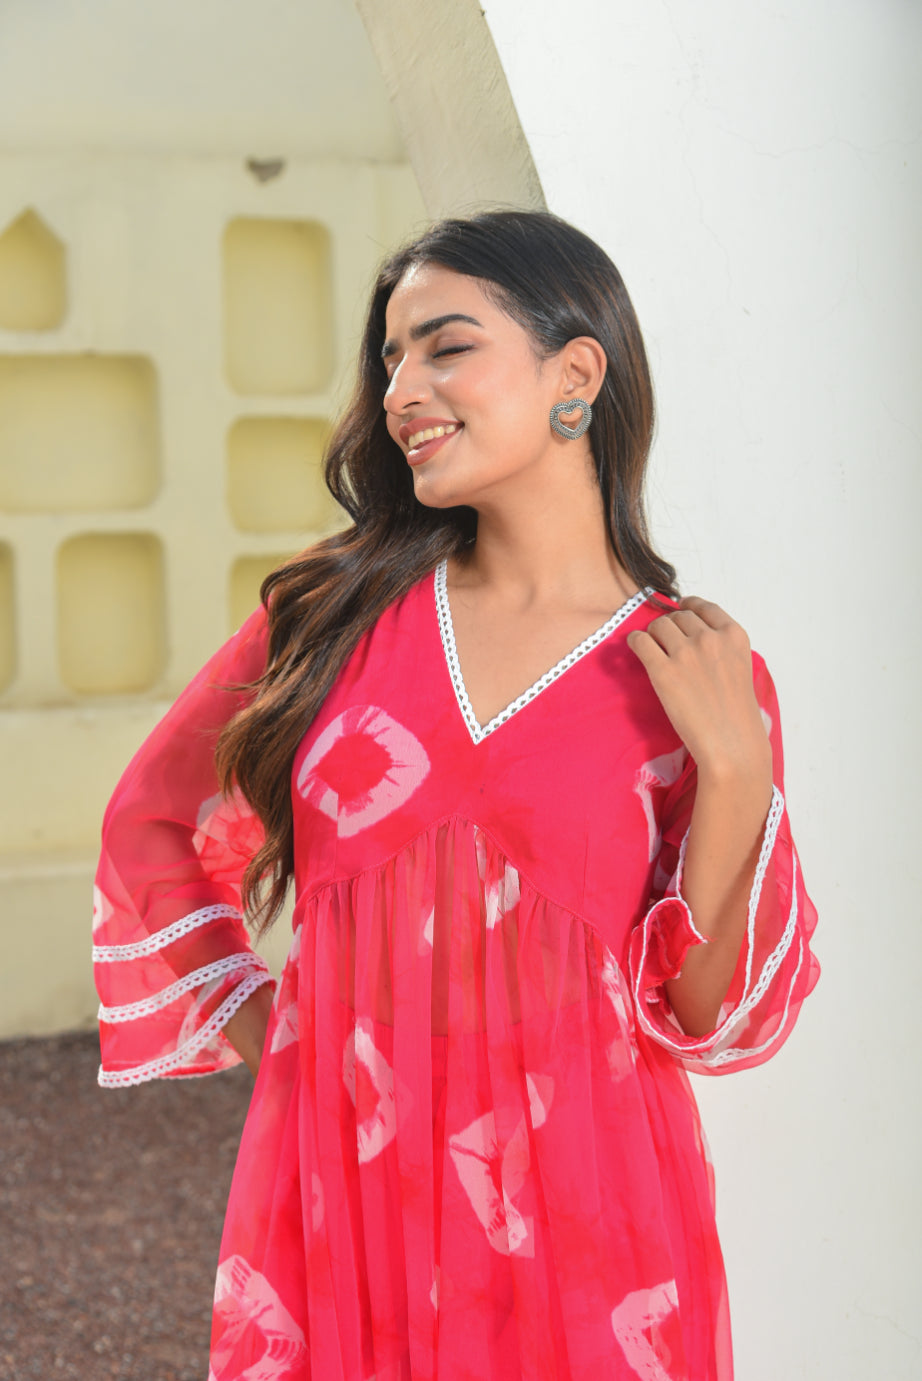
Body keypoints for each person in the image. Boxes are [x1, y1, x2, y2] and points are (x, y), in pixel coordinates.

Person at [92, 210, 819, 1380]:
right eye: (388, 357)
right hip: (346, 1191)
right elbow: (153, 826)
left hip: (591, 1219)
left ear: (574, 372)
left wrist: (734, 779)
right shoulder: (329, 618)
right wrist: (281, 1041)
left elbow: (701, 1011)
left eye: (443, 345)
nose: (399, 390)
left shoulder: (688, 668)